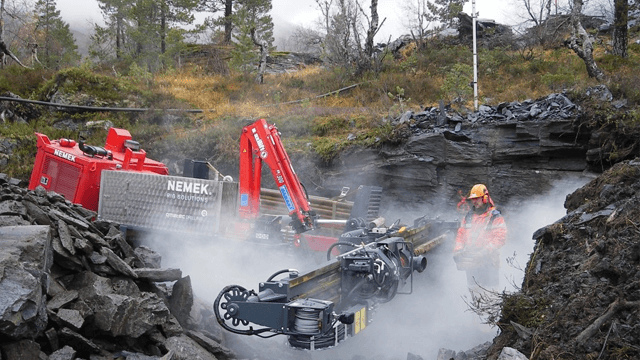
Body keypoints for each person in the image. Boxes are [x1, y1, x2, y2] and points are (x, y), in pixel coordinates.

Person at [453, 184, 507, 290]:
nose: (474, 201)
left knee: (490, 295)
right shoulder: (468, 217)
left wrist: (483, 252)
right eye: (473, 199)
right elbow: (460, 236)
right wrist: (458, 251)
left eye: (477, 198)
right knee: (474, 293)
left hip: (489, 263)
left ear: (485, 198)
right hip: (471, 263)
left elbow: (500, 238)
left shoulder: (495, 217)